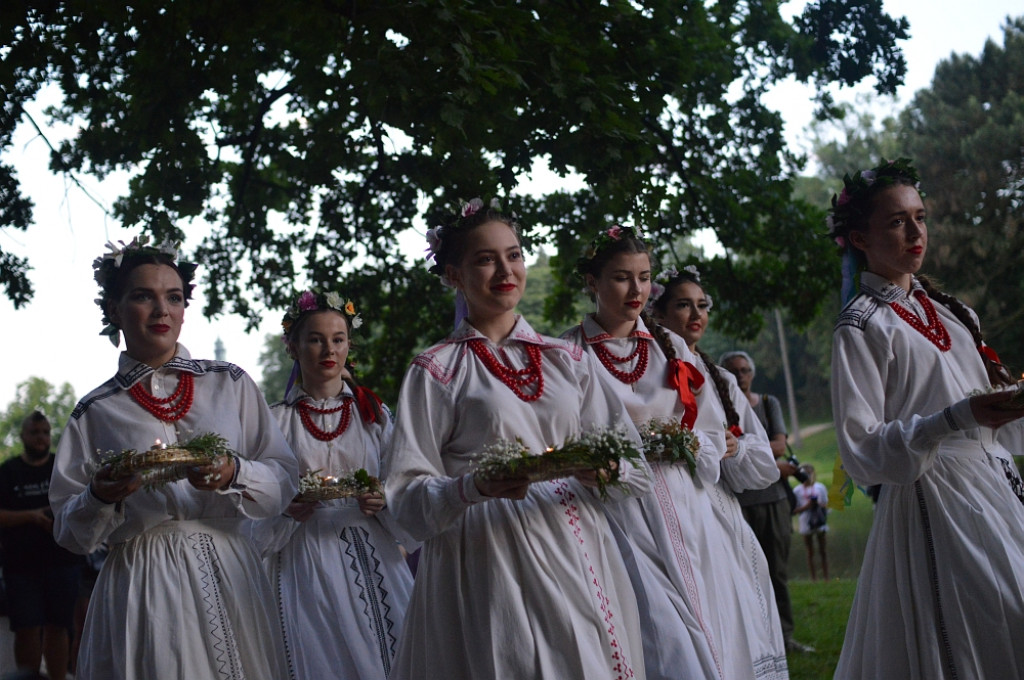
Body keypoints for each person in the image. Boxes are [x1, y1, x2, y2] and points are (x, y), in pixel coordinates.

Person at [384, 199, 650, 680]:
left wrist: (606, 471)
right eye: (485, 259)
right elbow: (404, 499)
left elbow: (633, 465)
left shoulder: (567, 359)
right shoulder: (437, 370)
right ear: (454, 276)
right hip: (489, 556)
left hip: (577, 545)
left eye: (514, 254)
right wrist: (473, 487)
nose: (505, 269)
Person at [49, 237, 298, 679]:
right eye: (143, 295)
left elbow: (284, 478)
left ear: (185, 309)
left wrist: (234, 471)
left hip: (231, 571)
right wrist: (98, 495)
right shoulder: (95, 410)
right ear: (114, 310)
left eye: (174, 297)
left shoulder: (231, 384)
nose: (162, 310)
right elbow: (70, 531)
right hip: (143, 580)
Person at [828, 158, 1024, 679]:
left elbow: (989, 409)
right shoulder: (862, 327)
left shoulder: (954, 312)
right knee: (979, 629)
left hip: (996, 488)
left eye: (920, 216)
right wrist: (956, 416)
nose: (916, 232)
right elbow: (861, 450)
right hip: (934, 499)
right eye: (896, 222)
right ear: (860, 239)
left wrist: (1009, 404)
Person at [254, 289, 415, 680]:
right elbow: (254, 505)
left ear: (348, 345)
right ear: (292, 347)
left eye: (338, 339)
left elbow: (406, 481)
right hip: (304, 557)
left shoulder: (373, 415)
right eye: (315, 339)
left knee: (391, 653)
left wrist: (385, 499)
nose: (329, 349)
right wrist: (285, 509)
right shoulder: (274, 423)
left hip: (373, 551)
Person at [648, 264, 789, 678]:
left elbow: (764, 462)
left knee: (732, 612)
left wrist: (735, 447)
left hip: (720, 513)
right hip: (663, 508)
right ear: (658, 312)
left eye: (702, 305)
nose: (696, 315)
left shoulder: (721, 379)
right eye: (683, 305)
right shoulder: (647, 368)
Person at [719, 349, 812, 654]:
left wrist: (742, 447)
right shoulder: (719, 406)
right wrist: (756, 449)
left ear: (752, 373)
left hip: (773, 499)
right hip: (737, 501)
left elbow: (780, 446)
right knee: (743, 574)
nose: (741, 375)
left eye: (745, 369)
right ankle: (754, 641)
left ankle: (785, 637)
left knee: (777, 573)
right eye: (734, 371)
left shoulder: (769, 404)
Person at [0, 412, 83, 680]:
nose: (41, 438)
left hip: (62, 562)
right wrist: (33, 516)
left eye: (45, 432)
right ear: (22, 436)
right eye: (35, 432)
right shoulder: (8, 471)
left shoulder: (62, 467)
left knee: (58, 627)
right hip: (20, 566)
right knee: (26, 629)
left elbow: (79, 504)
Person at [791, 465, 828, 581]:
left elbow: (826, 505)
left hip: (820, 521)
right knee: (810, 551)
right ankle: (814, 578)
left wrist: (819, 505)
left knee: (823, 550)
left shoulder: (820, 487)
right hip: (805, 522)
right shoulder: (797, 490)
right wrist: (807, 506)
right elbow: (793, 510)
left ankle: (827, 578)